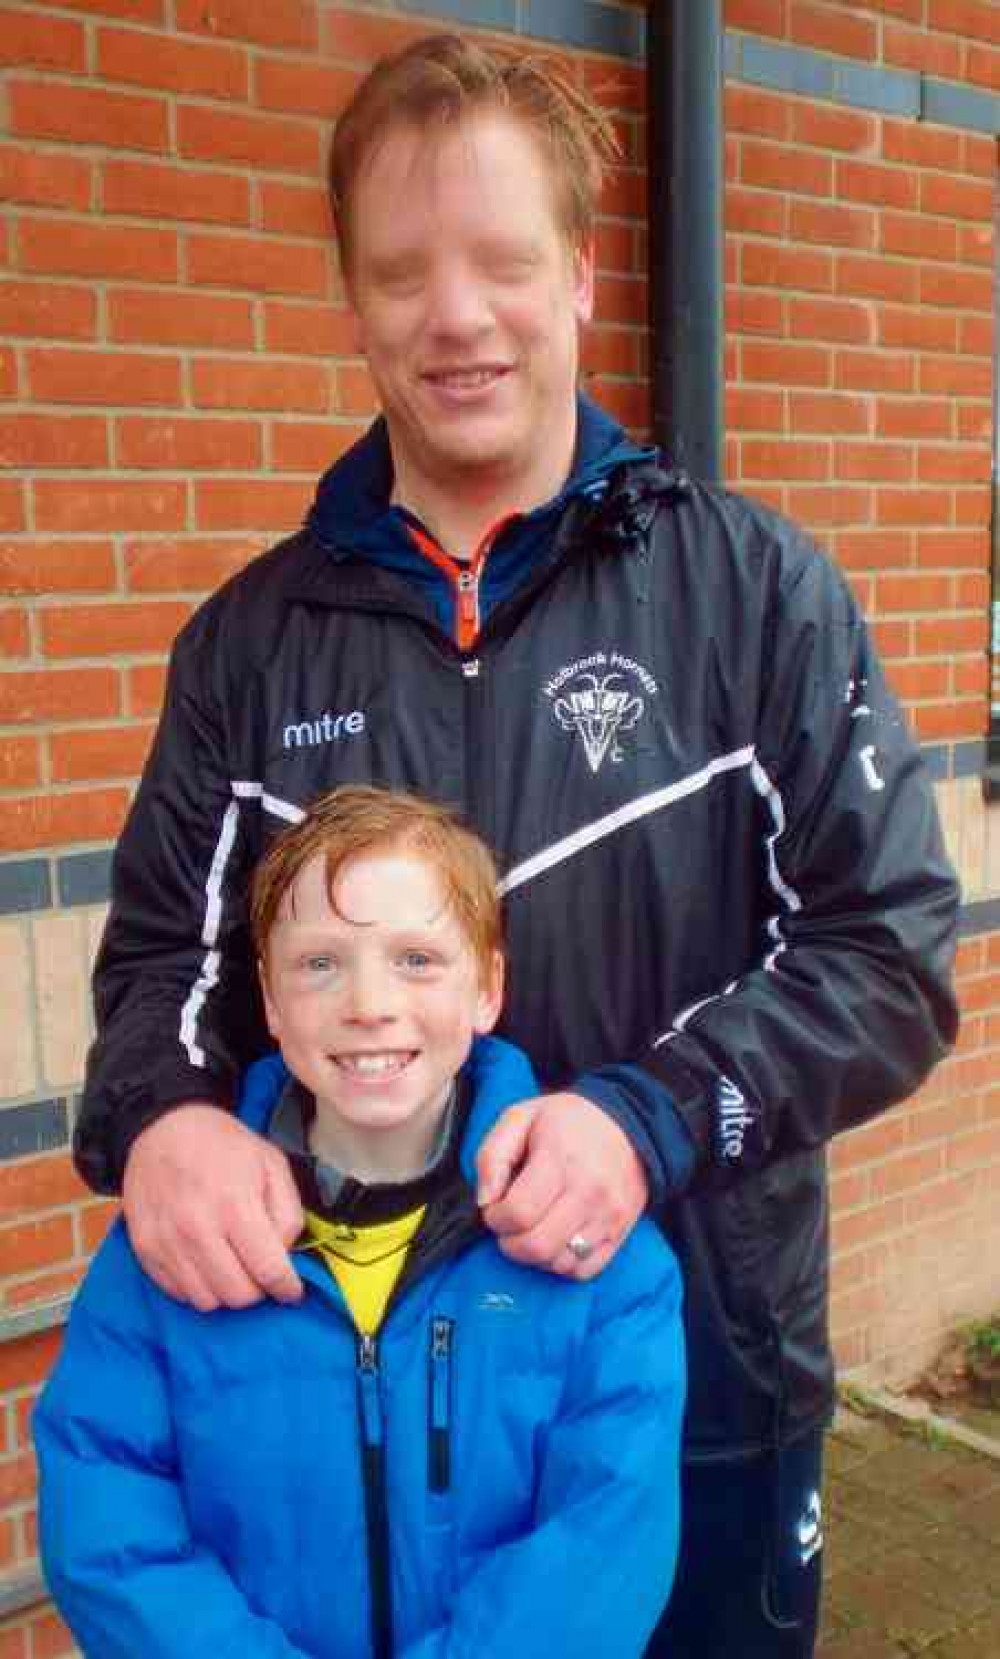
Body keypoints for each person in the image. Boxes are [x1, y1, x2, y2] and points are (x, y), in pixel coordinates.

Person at [73, 31, 960, 1659]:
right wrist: (162, 1120)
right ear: (353, 306)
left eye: (501, 261)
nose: (456, 315)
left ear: (580, 277)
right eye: (403, 273)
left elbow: (888, 947)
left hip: (699, 1375)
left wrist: (650, 1120)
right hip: (337, 1434)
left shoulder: (757, 594)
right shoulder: (249, 646)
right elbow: (161, 966)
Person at [36, 786, 687, 1659]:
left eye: (417, 958)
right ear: (268, 1000)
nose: (368, 1003)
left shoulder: (600, 1250)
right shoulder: (177, 1240)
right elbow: (110, 1523)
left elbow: (605, 1545)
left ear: (488, 986)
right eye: (320, 964)